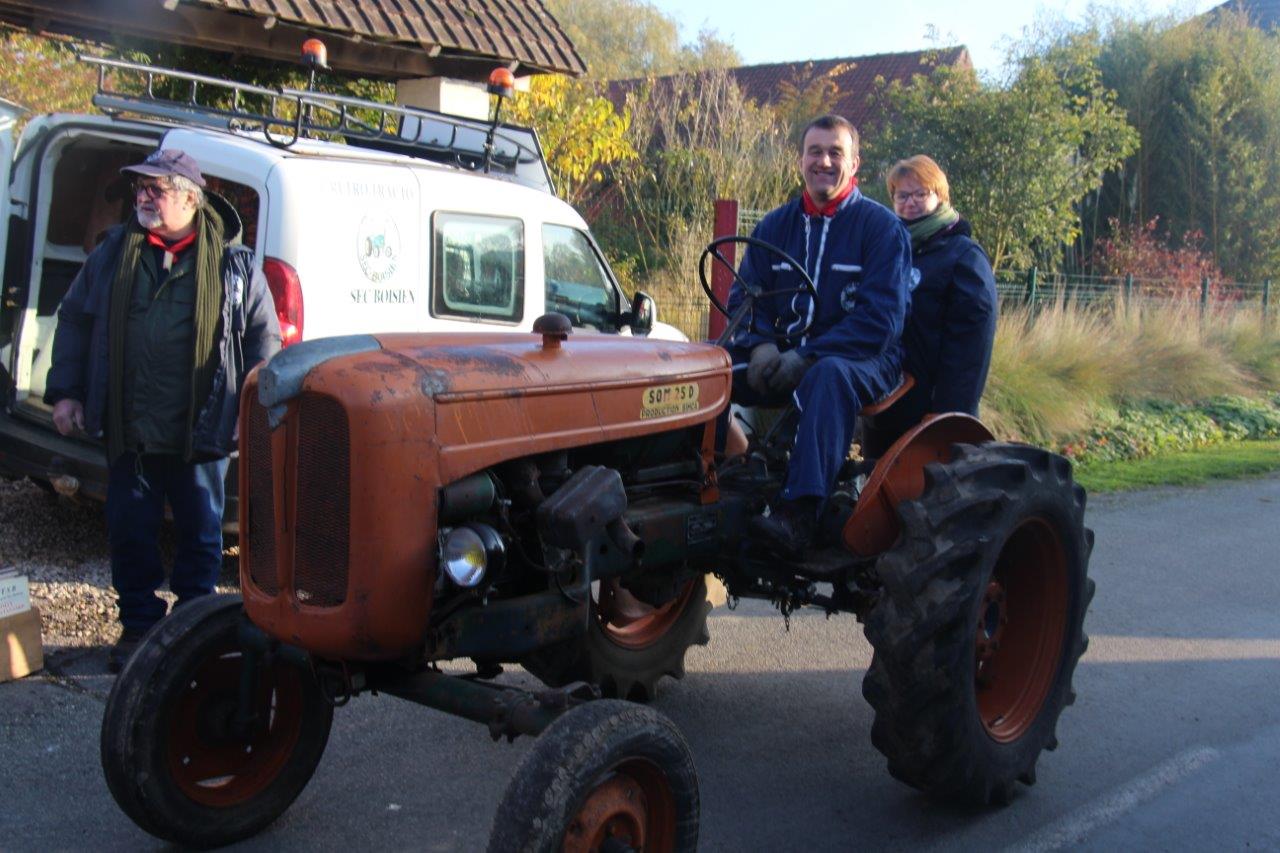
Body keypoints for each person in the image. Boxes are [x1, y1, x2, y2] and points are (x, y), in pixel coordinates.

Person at [44, 149, 281, 672]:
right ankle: (138, 629)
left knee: (201, 536)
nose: (143, 199)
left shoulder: (235, 265)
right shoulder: (113, 253)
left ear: (191, 200)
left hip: (202, 429)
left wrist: (252, 404)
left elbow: (265, 341)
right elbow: (76, 319)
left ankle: (193, 632)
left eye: (157, 189)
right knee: (129, 532)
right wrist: (66, 392)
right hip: (130, 427)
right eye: (139, 190)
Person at [726, 115, 911, 558]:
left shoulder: (881, 229)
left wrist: (808, 356)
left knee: (827, 376)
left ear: (854, 163)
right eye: (815, 151)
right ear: (801, 160)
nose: (823, 161)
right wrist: (761, 344)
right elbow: (745, 298)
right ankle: (720, 477)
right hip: (781, 351)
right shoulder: (775, 226)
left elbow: (880, 321)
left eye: (835, 152)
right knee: (708, 369)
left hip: (867, 358)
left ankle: (800, 514)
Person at [872, 154, 996, 450]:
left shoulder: (963, 257)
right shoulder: (889, 249)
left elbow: (972, 343)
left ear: (940, 196)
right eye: (902, 195)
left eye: (920, 194)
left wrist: (949, 410)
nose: (910, 202)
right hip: (888, 399)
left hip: (935, 404)